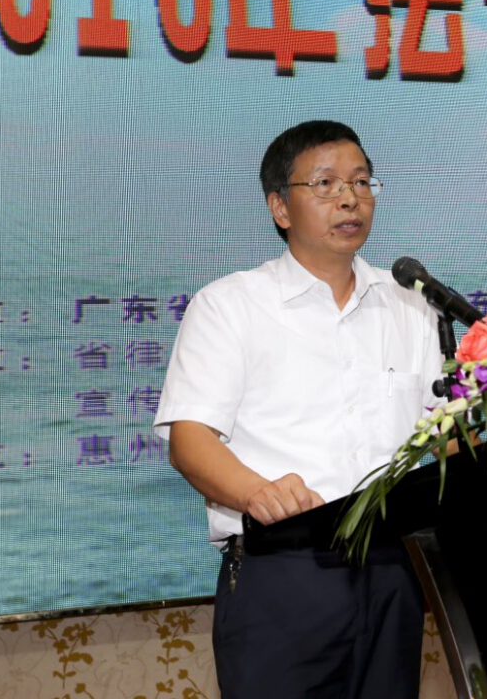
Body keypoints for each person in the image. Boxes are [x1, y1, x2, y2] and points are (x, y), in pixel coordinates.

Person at [153, 120, 443, 699]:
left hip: (393, 568)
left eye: (361, 182)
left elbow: (440, 433)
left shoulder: (413, 306)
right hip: (284, 568)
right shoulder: (230, 305)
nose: (349, 198)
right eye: (326, 183)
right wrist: (256, 492)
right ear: (280, 207)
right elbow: (190, 439)